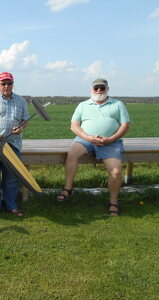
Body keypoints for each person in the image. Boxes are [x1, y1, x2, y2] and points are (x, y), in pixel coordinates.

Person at [56, 78, 130, 215]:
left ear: (107, 89)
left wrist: (111, 139)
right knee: (72, 153)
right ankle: (67, 189)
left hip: (110, 142)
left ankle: (113, 201)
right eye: (96, 88)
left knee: (116, 171)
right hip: (86, 139)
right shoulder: (83, 105)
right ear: (91, 90)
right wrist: (88, 138)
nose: (99, 90)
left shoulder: (118, 104)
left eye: (102, 88)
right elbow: (74, 125)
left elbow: (125, 125)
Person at [0, 72, 28, 217]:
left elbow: (24, 120)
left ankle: (12, 206)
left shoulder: (21, 101)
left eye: (9, 83)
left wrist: (20, 128)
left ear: (13, 84)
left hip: (13, 144)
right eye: (3, 83)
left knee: (11, 177)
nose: (6, 86)